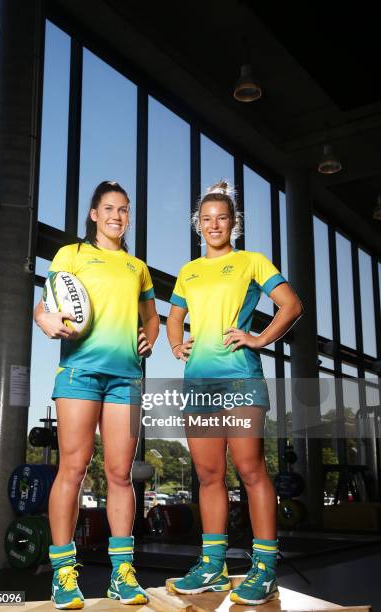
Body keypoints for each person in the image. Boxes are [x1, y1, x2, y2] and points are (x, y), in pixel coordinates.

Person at [166, 181, 303, 605]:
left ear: (233, 223)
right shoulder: (189, 271)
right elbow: (174, 317)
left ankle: (264, 568)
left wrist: (260, 340)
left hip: (241, 379)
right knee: (208, 476)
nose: (214, 225)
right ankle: (213, 566)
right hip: (200, 384)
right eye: (206, 219)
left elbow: (292, 305)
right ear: (198, 225)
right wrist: (176, 344)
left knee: (250, 469)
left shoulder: (252, 261)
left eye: (221, 218)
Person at [34, 181, 159, 608]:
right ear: (93, 214)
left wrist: (152, 337)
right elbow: (44, 305)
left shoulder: (137, 267)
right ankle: (63, 574)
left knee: (121, 474)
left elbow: (152, 316)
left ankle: (122, 574)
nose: (117, 216)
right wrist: (46, 322)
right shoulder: (71, 255)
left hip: (125, 379)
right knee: (73, 467)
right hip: (80, 374)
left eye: (124, 210)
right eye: (109, 208)